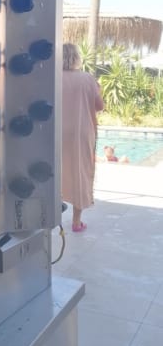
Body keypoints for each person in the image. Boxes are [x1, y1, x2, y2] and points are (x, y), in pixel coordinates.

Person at [62, 43, 104, 233]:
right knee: (80, 172)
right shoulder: (87, 78)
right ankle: (76, 222)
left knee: (55, 171)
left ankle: (49, 219)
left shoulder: (51, 78)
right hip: (82, 132)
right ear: (77, 57)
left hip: (56, 132)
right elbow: (99, 106)